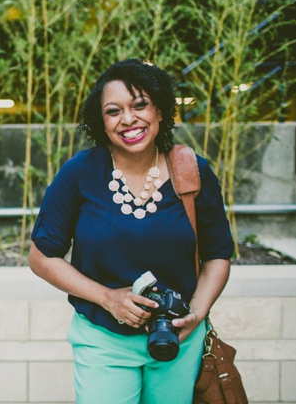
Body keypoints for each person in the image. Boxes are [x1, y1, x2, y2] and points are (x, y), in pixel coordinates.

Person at [29, 58, 233, 404]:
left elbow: (217, 255)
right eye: (113, 111)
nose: (128, 119)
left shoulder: (192, 170)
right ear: (101, 120)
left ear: (160, 111)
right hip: (103, 341)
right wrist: (108, 298)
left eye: (140, 105)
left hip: (179, 342)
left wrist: (196, 312)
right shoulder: (79, 174)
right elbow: (41, 256)